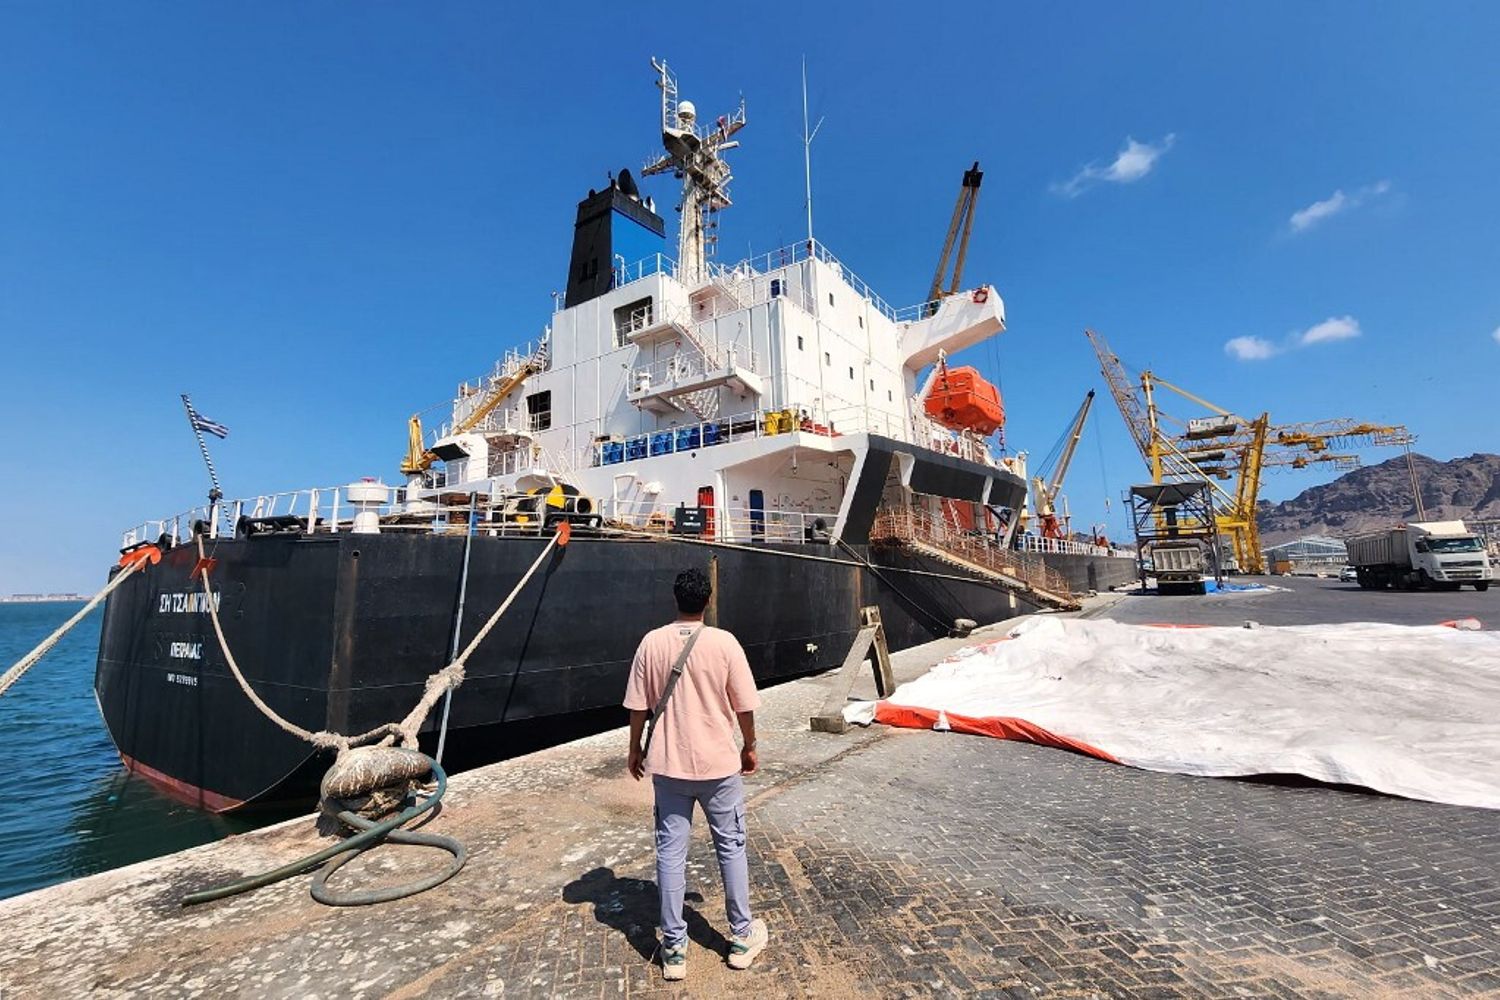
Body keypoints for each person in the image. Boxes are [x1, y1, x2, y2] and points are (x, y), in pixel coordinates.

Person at [623, 568, 769, 982]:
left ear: (676, 600)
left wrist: (635, 749)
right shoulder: (724, 643)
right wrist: (750, 745)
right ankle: (741, 938)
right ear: (707, 602)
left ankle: (673, 948)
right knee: (731, 847)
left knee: (670, 854)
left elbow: (638, 706)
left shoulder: (651, 642)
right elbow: (744, 705)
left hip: (668, 766)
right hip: (719, 766)